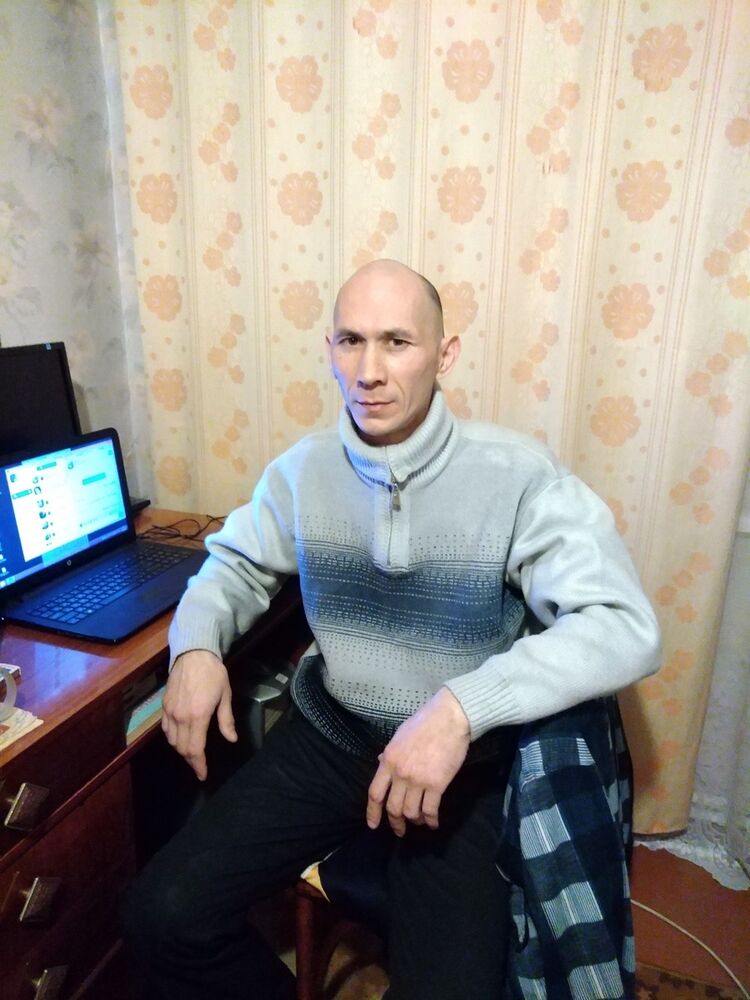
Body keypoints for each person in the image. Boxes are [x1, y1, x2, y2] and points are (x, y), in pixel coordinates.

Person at [121, 259, 660, 999]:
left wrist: (460, 709)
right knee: (160, 916)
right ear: (329, 350)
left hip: (461, 768)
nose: (369, 371)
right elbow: (232, 566)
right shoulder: (304, 471)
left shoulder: (517, 476)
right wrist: (195, 648)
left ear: (445, 354)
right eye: (351, 341)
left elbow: (624, 624)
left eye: (397, 342)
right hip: (334, 740)